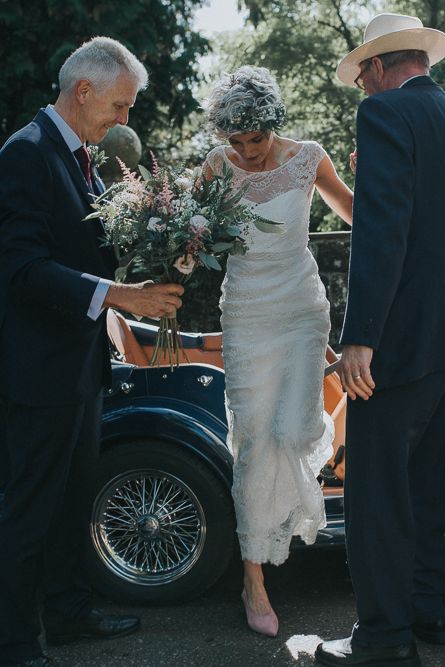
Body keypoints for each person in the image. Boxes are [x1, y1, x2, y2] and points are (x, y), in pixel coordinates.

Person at [316, 13, 445, 667]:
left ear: (382, 66)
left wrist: (359, 335)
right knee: (424, 485)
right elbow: (439, 227)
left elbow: (384, 232)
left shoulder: (385, 116)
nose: (361, 86)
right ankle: (429, 613)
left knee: (374, 491)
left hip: (399, 339)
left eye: (362, 73)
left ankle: (383, 637)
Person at [0, 37, 185, 666]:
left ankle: (70, 614)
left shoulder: (78, 157)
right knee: (28, 511)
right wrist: (119, 294)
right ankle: (16, 642)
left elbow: (82, 254)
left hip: (78, 369)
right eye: (121, 105)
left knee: (73, 499)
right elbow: (22, 269)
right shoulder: (25, 154)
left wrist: (159, 253)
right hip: (36, 372)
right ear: (84, 91)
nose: (124, 119)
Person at [202, 66, 353, 638]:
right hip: (244, 314)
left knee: (294, 433)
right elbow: (184, 232)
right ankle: (254, 578)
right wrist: (172, 239)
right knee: (254, 440)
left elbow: (358, 214)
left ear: (273, 126)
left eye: (256, 140)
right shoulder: (217, 167)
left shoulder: (309, 157)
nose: (246, 152)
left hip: (299, 312)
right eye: (236, 143)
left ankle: (280, 525)